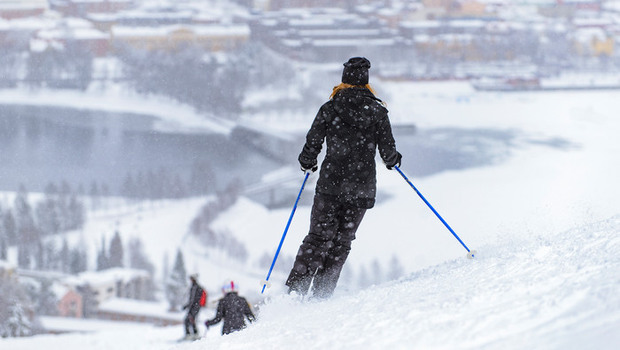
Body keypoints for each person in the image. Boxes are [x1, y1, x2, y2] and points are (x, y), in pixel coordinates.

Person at [285, 57, 402, 299]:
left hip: (331, 185)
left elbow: (312, 143)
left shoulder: (329, 109)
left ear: (344, 79)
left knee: (317, 239)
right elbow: (388, 153)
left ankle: (294, 295)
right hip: (361, 189)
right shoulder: (378, 111)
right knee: (342, 242)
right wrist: (393, 160)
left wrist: (308, 162)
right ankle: (322, 295)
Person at [182, 273, 206, 340]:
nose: (190, 279)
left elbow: (192, 299)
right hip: (196, 306)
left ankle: (189, 335)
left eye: (191, 278)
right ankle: (195, 334)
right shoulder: (196, 287)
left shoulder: (195, 287)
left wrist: (187, 306)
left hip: (194, 307)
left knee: (188, 320)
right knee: (191, 320)